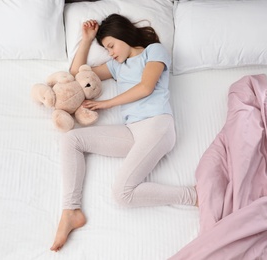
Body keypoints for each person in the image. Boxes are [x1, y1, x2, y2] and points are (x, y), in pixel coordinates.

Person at [50, 14, 197, 252]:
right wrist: (87, 40)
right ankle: (71, 210)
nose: (110, 53)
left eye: (111, 46)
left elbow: (146, 87)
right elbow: (77, 75)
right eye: (106, 49)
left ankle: (194, 196)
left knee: (122, 194)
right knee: (71, 139)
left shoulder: (154, 51)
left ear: (124, 36)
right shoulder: (116, 67)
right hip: (132, 131)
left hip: (157, 125)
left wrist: (107, 104)